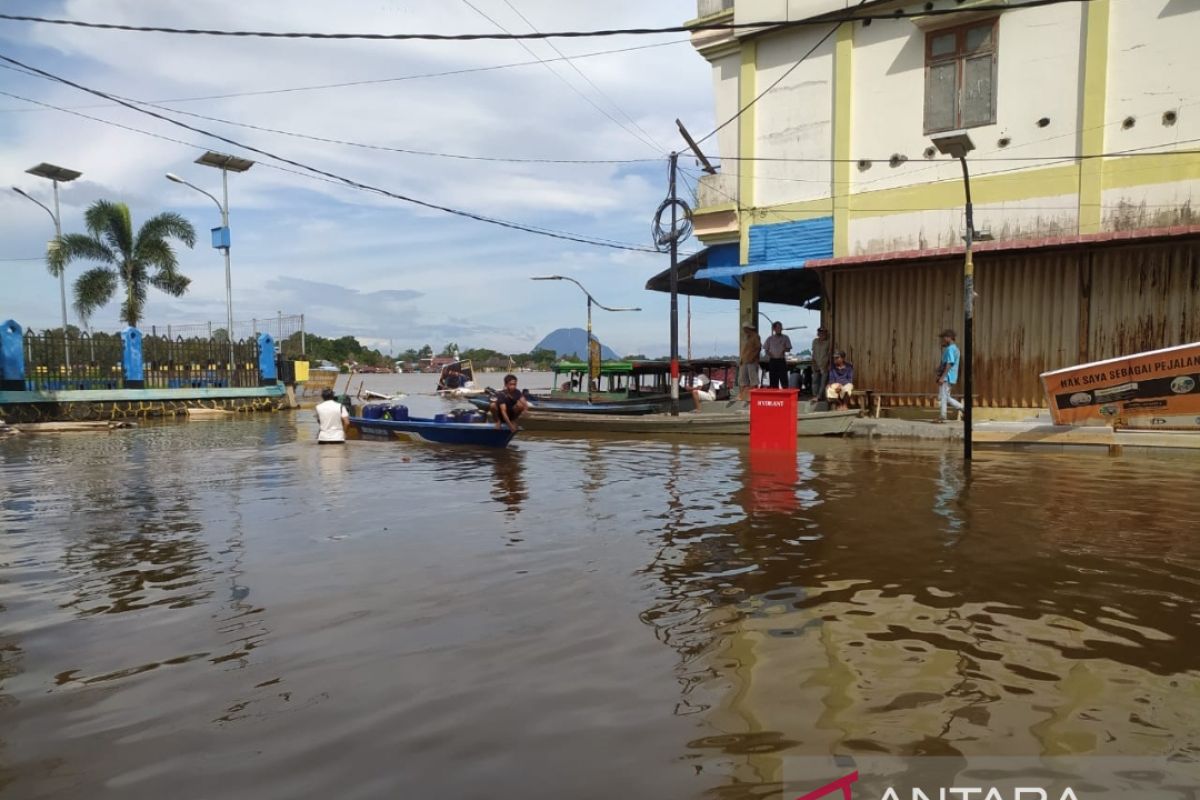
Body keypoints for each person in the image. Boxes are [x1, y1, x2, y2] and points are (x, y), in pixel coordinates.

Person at [936, 328, 965, 423]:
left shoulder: (950, 349)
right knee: (946, 397)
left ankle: (942, 416)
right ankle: (963, 408)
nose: (942, 340)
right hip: (951, 376)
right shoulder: (955, 349)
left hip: (947, 376)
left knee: (943, 396)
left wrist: (942, 377)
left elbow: (950, 363)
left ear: (949, 338)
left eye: (943, 338)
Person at [763, 321, 793, 389]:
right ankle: (775, 396)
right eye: (778, 327)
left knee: (784, 379)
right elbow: (766, 349)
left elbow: (789, 348)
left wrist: (783, 350)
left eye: (780, 327)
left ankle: (785, 395)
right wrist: (770, 354)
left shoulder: (785, 337)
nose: (779, 329)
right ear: (774, 329)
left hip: (781, 360)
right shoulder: (770, 338)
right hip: (773, 361)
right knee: (773, 380)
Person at [738, 323, 762, 402]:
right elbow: (743, 349)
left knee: (753, 379)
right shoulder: (746, 338)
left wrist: (753, 357)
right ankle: (741, 396)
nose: (744, 330)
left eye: (745, 328)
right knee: (743, 379)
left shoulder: (755, 336)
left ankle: (753, 395)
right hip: (744, 360)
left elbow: (758, 348)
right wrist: (741, 359)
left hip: (752, 361)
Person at [811, 326, 831, 399]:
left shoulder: (828, 342)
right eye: (820, 333)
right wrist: (813, 363)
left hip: (824, 364)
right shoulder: (815, 341)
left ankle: (819, 396)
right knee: (815, 381)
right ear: (818, 334)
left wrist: (829, 364)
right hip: (816, 363)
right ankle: (814, 395)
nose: (821, 334)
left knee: (823, 382)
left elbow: (829, 354)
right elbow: (813, 353)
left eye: (823, 333)